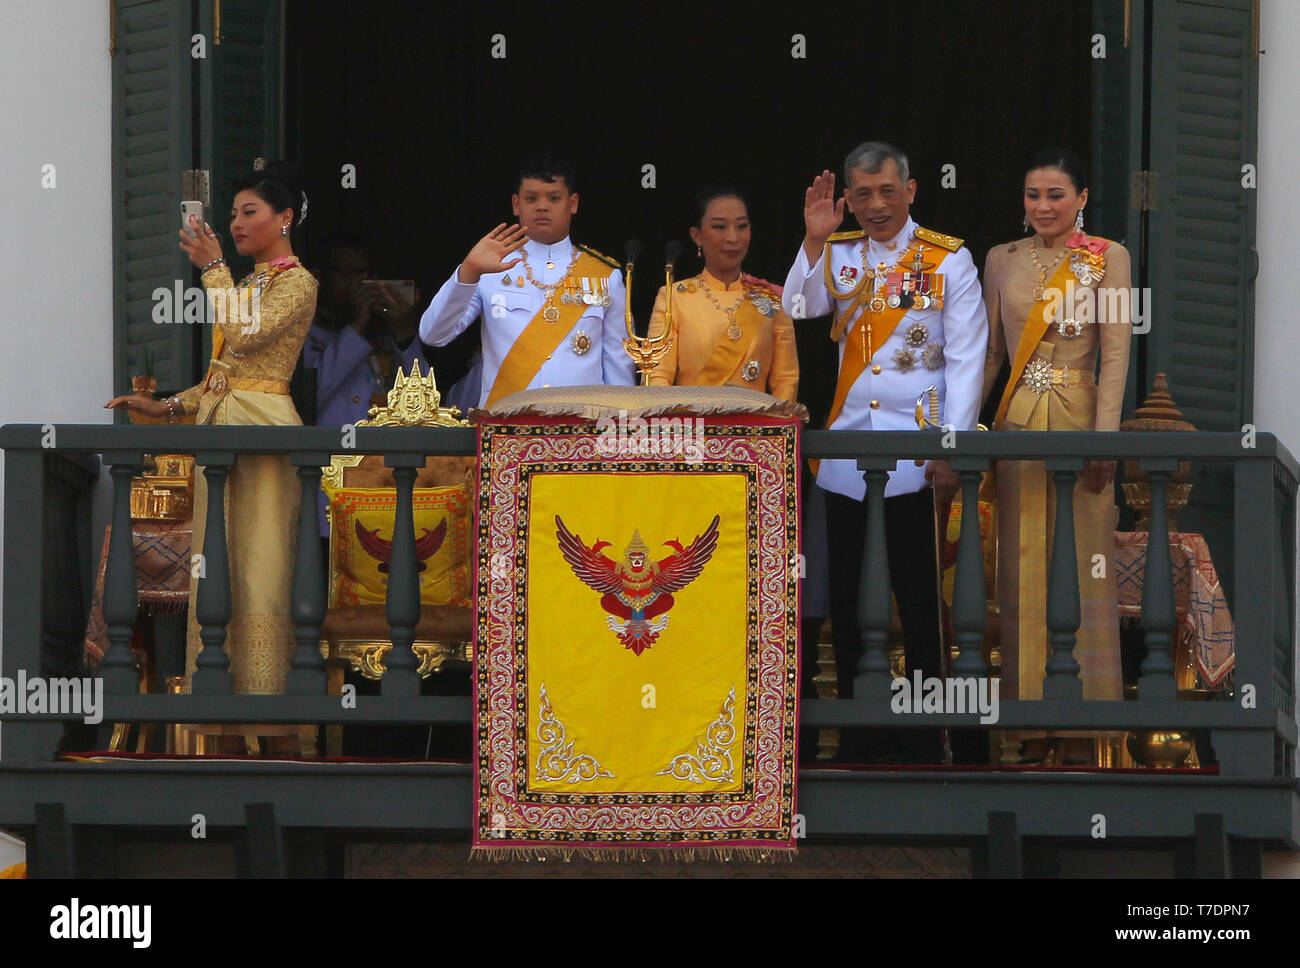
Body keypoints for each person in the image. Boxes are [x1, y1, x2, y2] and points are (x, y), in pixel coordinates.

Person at [782, 142, 988, 763]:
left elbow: (966, 358)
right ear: (848, 196)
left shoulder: (948, 260)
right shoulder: (840, 255)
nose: (875, 205)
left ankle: (929, 744)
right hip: (846, 458)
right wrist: (815, 241)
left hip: (917, 456)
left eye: (887, 191)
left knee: (920, 604)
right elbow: (797, 306)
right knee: (846, 602)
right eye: (862, 194)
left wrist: (950, 446)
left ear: (912, 190)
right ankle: (860, 739)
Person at [106, 160, 318, 756]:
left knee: (262, 577)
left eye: (250, 212)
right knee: (216, 574)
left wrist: (214, 269)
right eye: (232, 214)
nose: (237, 222)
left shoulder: (297, 282)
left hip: (266, 440)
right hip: (220, 434)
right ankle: (223, 725)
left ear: (285, 219)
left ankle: (277, 731)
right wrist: (166, 408)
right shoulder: (245, 283)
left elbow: (248, 338)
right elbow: (220, 378)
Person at [981, 148, 1130, 765]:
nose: (1043, 207)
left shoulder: (1109, 258)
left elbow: (1118, 351)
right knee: (1020, 574)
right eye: (1033, 195)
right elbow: (991, 353)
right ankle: (1025, 725)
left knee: (1084, 569)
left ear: (1082, 199)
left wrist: (1105, 437)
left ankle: (1086, 727)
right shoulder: (999, 260)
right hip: (1017, 426)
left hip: (1079, 423)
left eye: (1056, 195)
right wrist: (964, 429)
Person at [419, 154, 635, 406]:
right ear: (516, 204)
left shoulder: (606, 275)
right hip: (506, 427)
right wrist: (468, 271)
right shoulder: (489, 269)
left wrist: (620, 427)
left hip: (582, 429)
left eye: (554, 198)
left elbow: (619, 365)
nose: (542, 206)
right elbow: (433, 335)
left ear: (573, 203)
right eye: (531, 198)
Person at [301, 234, 427, 538]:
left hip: (386, 487)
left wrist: (404, 332)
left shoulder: (385, 339)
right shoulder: (305, 337)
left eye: (365, 274)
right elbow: (307, 399)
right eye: (347, 272)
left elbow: (425, 402)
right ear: (320, 278)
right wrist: (355, 327)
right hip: (327, 496)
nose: (359, 283)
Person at [646, 187, 798, 401]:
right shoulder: (674, 298)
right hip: (693, 429)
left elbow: (786, 381)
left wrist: (774, 429)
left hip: (755, 431)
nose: (733, 238)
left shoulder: (770, 300)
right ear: (697, 236)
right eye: (719, 227)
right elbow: (658, 376)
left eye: (742, 226)